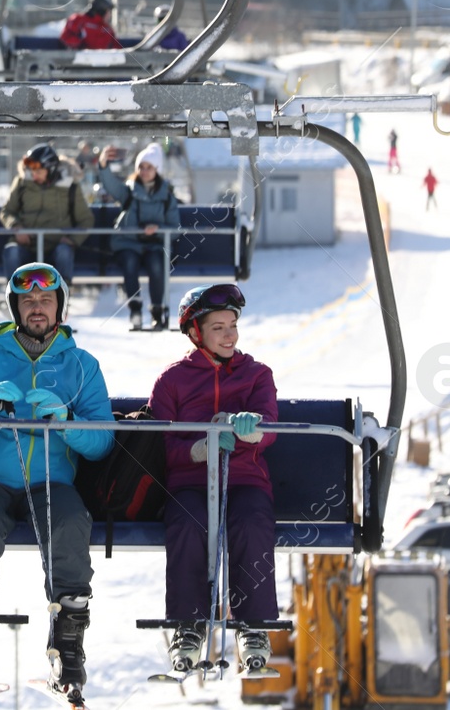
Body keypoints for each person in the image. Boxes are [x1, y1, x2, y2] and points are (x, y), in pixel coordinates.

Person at [0, 262, 116, 705]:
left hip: (49, 482)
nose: (37, 307)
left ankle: (68, 648)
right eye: (28, 300)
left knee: (71, 523)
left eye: (46, 300)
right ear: (16, 307)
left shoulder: (82, 366)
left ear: (59, 307)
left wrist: (67, 422)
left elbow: (104, 441)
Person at [150, 284, 278, 675]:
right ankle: (188, 626)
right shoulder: (173, 381)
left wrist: (251, 429)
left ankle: (252, 626)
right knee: (188, 522)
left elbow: (271, 428)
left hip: (244, 477)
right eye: (218, 327)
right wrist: (198, 449)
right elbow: (159, 445)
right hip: (191, 480)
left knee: (250, 520)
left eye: (233, 326)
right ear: (196, 333)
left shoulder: (257, 375)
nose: (229, 335)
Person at [110, 143, 182, 331]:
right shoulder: (129, 191)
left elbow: (175, 228)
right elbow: (110, 185)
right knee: (129, 263)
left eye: (149, 167)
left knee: (157, 264)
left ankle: (157, 311)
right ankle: (135, 309)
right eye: (141, 167)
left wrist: (157, 229)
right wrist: (103, 166)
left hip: (155, 244)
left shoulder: (166, 196)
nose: (144, 171)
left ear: (157, 169)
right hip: (129, 243)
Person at [0, 144, 93, 284]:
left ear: (50, 169)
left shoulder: (69, 186)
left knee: (64, 252)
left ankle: (62, 296)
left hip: (56, 246)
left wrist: (72, 240)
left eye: (38, 171)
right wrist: (16, 226)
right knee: (12, 252)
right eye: (31, 171)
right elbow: (7, 211)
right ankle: (16, 295)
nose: (33, 175)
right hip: (28, 246)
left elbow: (86, 220)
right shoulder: (22, 183)